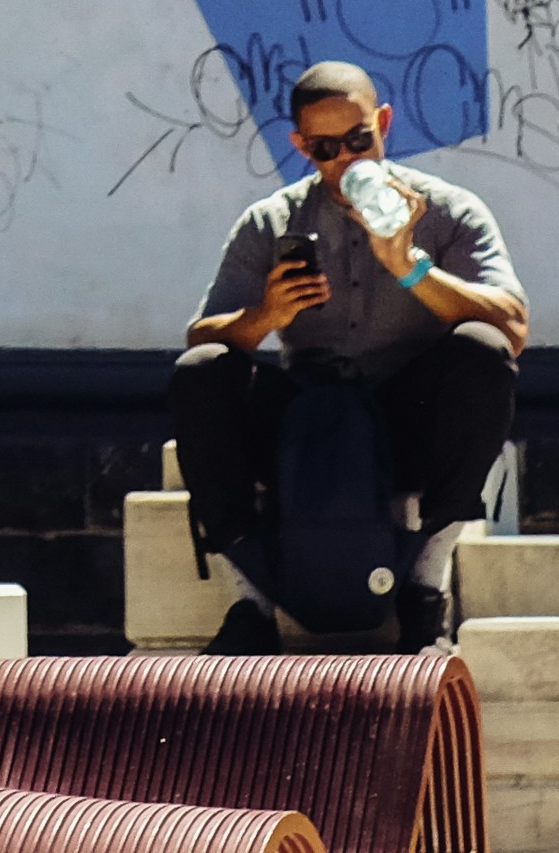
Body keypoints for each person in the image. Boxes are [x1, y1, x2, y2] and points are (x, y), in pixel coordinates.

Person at [165, 62, 525, 643]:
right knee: (201, 372)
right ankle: (250, 605)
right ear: (302, 147)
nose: (347, 160)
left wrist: (411, 268)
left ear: (384, 123)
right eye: (326, 148)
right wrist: (266, 317)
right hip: (307, 424)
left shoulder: (446, 211)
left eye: (360, 140)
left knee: (482, 350)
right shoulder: (270, 221)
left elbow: (513, 327)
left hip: (407, 418)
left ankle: (426, 589)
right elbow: (200, 340)